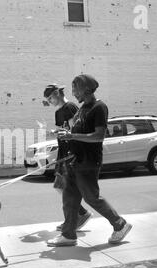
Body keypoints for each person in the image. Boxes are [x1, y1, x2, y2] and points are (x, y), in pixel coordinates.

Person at [47, 75, 132, 247]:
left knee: (92, 198)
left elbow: (98, 136)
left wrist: (72, 135)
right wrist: (64, 134)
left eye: (75, 89)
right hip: (75, 161)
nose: (73, 93)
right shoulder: (81, 109)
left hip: (89, 162)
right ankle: (69, 235)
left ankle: (120, 224)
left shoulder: (99, 107)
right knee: (69, 198)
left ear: (86, 89)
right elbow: (75, 133)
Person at [43, 84, 93, 232]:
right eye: (47, 99)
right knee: (60, 187)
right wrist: (54, 132)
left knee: (67, 188)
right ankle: (79, 215)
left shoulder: (70, 107)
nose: (49, 101)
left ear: (58, 93)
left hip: (73, 153)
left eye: (50, 97)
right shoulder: (58, 112)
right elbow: (62, 130)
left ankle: (74, 220)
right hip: (63, 153)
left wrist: (61, 133)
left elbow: (76, 129)